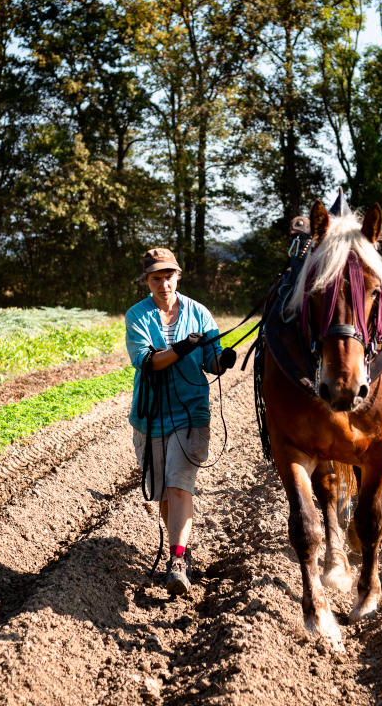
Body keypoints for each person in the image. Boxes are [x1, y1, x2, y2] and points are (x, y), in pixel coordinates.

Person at [125, 247, 236, 595]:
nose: (163, 284)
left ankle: (177, 558)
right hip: (152, 413)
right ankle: (181, 547)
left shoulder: (199, 313)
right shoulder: (136, 316)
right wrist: (181, 349)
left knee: (179, 484)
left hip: (191, 411)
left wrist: (223, 360)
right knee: (163, 494)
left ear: (178, 276)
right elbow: (147, 362)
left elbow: (211, 362)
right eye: (156, 278)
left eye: (168, 276)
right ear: (147, 281)